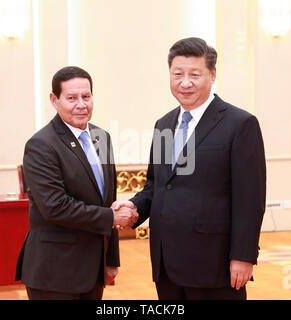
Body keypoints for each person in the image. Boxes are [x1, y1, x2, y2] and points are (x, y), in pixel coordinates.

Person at [113, 37, 266, 300]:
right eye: (178, 74)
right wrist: (134, 207)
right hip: (166, 264)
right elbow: (157, 184)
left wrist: (243, 256)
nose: (185, 82)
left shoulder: (240, 124)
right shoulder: (164, 124)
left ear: (212, 74)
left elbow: (250, 198)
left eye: (195, 74)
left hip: (214, 264)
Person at [15, 66, 137, 300]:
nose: (81, 104)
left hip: (92, 271)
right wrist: (111, 218)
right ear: (55, 100)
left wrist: (110, 261)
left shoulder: (102, 137)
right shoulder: (41, 145)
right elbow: (55, 206)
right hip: (54, 272)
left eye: (86, 96)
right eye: (71, 98)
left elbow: (108, 201)